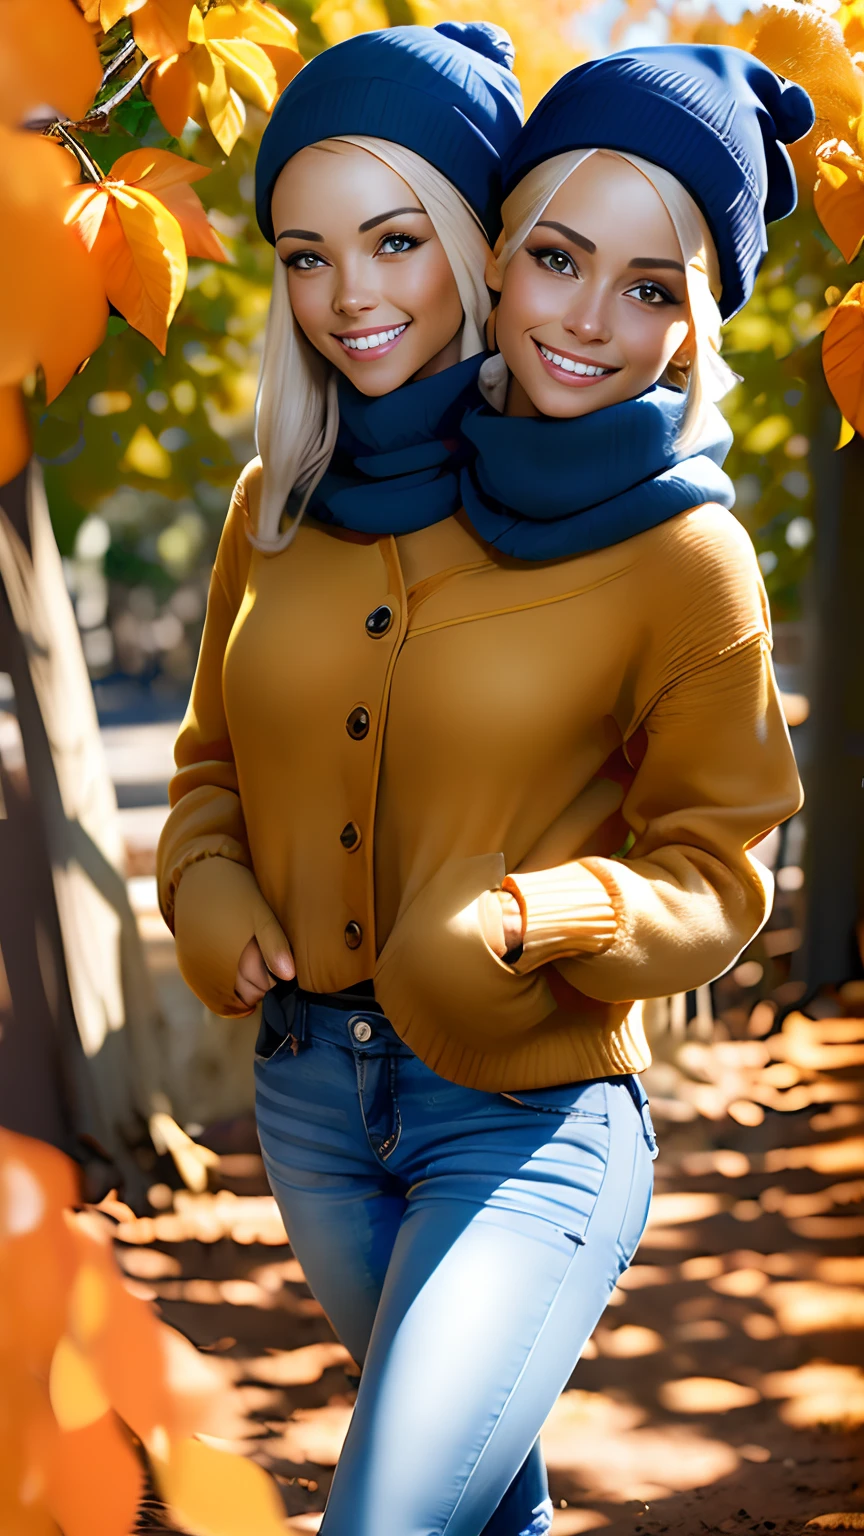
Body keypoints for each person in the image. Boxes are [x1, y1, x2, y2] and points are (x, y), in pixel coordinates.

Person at [157, 39, 810, 1536]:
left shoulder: (679, 555)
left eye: (652, 288)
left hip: (530, 1120)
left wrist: (537, 916)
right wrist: (210, 893)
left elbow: (719, 870)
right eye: (308, 257)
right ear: (507, 255)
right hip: (312, 1101)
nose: (354, 296)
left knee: (386, 1516)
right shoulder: (278, 505)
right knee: (475, 1500)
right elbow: (208, 770)